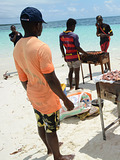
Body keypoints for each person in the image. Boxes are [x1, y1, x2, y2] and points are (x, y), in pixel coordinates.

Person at [13, 7, 75, 160]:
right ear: (36, 25)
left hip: (33, 95)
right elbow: (51, 79)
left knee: (41, 123)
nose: (42, 27)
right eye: (41, 24)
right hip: (47, 97)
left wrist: (30, 94)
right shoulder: (41, 47)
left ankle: (49, 148)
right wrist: (65, 99)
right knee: (51, 128)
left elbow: (23, 78)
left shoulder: (17, 48)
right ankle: (58, 157)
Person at [60, 18, 87, 90]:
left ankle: (71, 86)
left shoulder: (61, 35)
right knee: (77, 72)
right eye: (74, 26)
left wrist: (64, 56)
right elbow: (78, 47)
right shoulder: (74, 36)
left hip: (68, 57)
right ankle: (77, 87)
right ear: (72, 26)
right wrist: (85, 53)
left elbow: (61, 47)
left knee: (70, 71)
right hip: (75, 56)